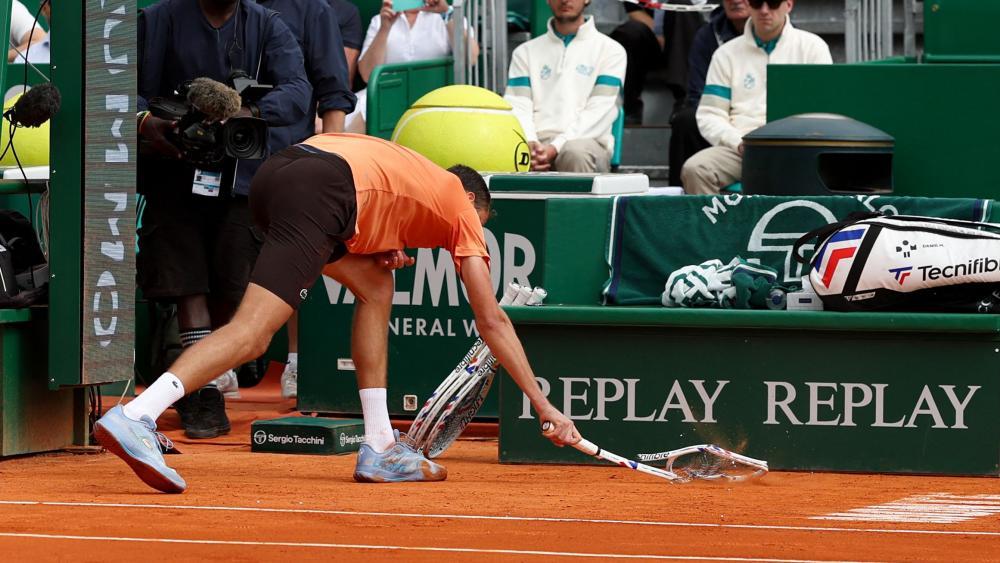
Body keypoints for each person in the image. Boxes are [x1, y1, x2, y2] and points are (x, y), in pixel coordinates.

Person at [94, 134, 581, 492]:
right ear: (471, 199)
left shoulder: (414, 176)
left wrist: (383, 246)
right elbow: (491, 319)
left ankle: (379, 446)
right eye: (479, 223)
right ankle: (138, 413)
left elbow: (367, 200)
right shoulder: (458, 205)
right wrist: (543, 404)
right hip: (321, 190)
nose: (471, 234)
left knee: (375, 286)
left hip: (280, 175)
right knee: (254, 334)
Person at [136, 0, 311, 438]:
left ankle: (206, 371)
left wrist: (244, 113)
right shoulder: (158, 20)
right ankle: (201, 391)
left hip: (240, 179)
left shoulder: (267, 24)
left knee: (232, 286)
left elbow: (297, 90)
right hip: (172, 175)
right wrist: (149, 123)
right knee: (186, 282)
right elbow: (123, 91)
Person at [256, 0, 358, 400]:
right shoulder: (227, 11)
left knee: (297, 262)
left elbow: (334, 92)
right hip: (227, 163)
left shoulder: (313, 10)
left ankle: (298, 361)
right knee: (227, 263)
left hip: (293, 160)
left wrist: (328, 160)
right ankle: (221, 370)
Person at [680, 0, 831, 194]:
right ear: (749, 6)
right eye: (757, 3)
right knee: (696, 169)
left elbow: (824, 110)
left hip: (798, 149)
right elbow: (710, 114)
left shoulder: (813, 47)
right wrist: (739, 142)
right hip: (741, 148)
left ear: (789, 5)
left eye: (774, 3)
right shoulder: (725, 54)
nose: (765, 11)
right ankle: (715, 225)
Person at [504, 0, 626, 173]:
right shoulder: (525, 52)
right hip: (537, 143)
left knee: (574, 152)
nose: (565, 0)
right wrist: (531, 145)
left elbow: (599, 111)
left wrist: (555, 147)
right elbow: (518, 106)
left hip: (587, 142)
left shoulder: (611, 51)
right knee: (511, 153)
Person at [344, 0, 479, 133]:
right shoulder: (379, 20)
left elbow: (471, 57)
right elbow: (367, 74)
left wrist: (446, 14)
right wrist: (385, 28)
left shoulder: (447, 15)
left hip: (433, 95)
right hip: (386, 93)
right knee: (337, 121)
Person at [668, 0, 749, 187]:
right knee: (686, 120)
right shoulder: (708, 37)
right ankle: (676, 201)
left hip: (766, 133)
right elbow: (698, 95)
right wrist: (728, 132)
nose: (736, 0)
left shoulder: (800, 44)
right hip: (722, 123)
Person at [609, 0, 704, 125]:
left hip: (691, 40)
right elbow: (634, 11)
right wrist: (659, 35)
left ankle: (685, 102)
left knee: (681, 5)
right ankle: (629, 106)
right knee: (630, 32)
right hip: (653, 40)